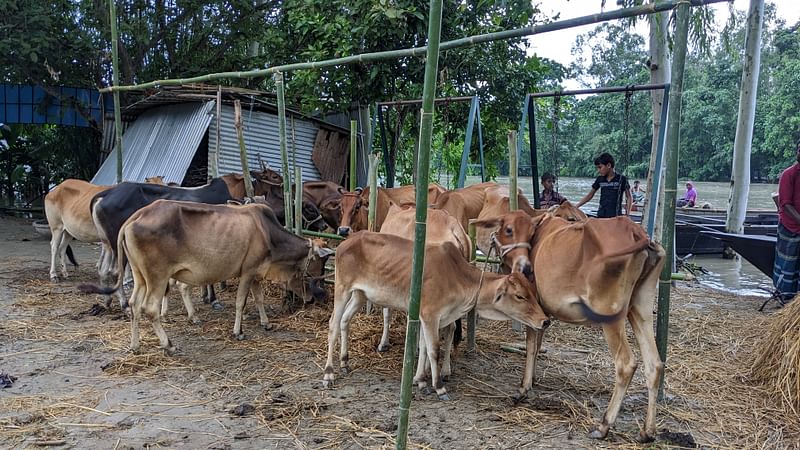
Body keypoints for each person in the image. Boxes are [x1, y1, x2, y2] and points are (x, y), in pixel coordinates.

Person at [773, 142, 800, 303]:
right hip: (790, 227)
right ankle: (785, 297)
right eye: (799, 149)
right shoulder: (789, 174)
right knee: (787, 263)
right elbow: (785, 204)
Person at [575, 152, 632, 218]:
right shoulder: (600, 179)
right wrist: (576, 206)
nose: (598, 170)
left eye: (600, 167)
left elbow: (629, 197)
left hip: (615, 217)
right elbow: (590, 195)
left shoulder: (621, 179)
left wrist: (627, 214)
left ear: (608, 165)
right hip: (601, 214)